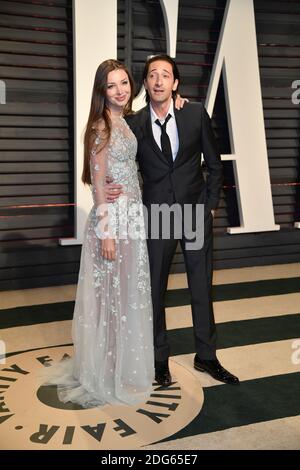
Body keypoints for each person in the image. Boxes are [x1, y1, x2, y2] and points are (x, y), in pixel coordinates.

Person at [106, 54, 239, 387]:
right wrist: (106, 183)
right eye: (153, 75)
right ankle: (158, 358)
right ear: (146, 84)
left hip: (194, 212)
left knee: (201, 286)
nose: (159, 80)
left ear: (175, 83)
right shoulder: (133, 123)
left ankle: (206, 355)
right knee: (154, 289)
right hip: (157, 216)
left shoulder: (193, 113)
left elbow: (215, 163)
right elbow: (117, 157)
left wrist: (209, 206)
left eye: (166, 75)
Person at [42, 59, 155, 407]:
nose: (120, 90)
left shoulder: (124, 121)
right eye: (112, 85)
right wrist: (106, 233)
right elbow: (96, 183)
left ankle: (120, 366)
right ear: (101, 91)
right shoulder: (101, 125)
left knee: (125, 297)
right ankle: (104, 371)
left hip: (132, 217)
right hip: (113, 223)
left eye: (124, 83)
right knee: (110, 299)